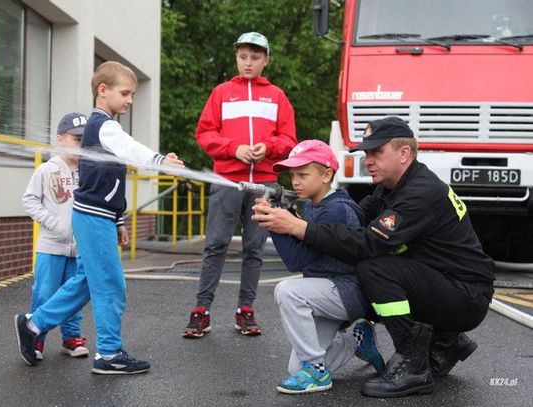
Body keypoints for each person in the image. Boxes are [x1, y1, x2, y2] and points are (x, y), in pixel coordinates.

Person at [253, 117, 495, 398]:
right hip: (445, 284)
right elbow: (353, 219)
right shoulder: (393, 187)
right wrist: (293, 212)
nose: (368, 160)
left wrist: (298, 227)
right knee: (370, 277)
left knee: (374, 269)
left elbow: (366, 243)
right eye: (366, 153)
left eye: (377, 152)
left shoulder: (419, 193)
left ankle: (412, 365)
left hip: (465, 295)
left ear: (404, 153)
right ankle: (445, 341)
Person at [14, 61, 184, 374]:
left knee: (88, 282)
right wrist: (159, 161)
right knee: (110, 285)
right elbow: (130, 148)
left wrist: (118, 220)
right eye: (125, 93)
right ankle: (108, 354)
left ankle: (34, 324)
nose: (130, 100)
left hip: (98, 218)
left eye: (133, 94)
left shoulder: (103, 128)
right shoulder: (105, 125)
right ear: (102, 91)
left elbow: (109, 182)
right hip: (93, 218)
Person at [184, 32, 297, 338]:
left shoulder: (277, 96)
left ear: (266, 60)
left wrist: (268, 148)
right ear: (236, 57)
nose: (249, 63)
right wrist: (233, 149)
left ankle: (245, 310)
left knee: (254, 248)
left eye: (255, 57)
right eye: (243, 56)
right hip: (227, 178)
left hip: (263, 183)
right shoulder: (221, 92)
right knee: (216, 244)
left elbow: (289, 141)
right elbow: (205, 133)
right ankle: (201, 310)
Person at [258, 139, 385, 394]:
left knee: (287, 291)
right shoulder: (315, 204)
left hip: (347, 292)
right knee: (296, 368)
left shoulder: (336, 209)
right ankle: (358, 339)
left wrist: (277, 225)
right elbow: (306, 247)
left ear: (327, 174)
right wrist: (287, 216)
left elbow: (296, 261)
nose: (295, 182)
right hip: (326, 292)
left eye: (303, 174)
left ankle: (316, 371)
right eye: (293, 175)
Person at [22, 112, 89, 361]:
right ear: (60, 139)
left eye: (85, 139)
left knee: (72, 294)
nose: (81, 144)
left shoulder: (88, 172)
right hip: (51, 246)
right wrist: (52, 224)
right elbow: (29, 200)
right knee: (44, 292)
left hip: (79, 248)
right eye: (76, 138)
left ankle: (71, 338)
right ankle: (35, 338)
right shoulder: (46, 170)